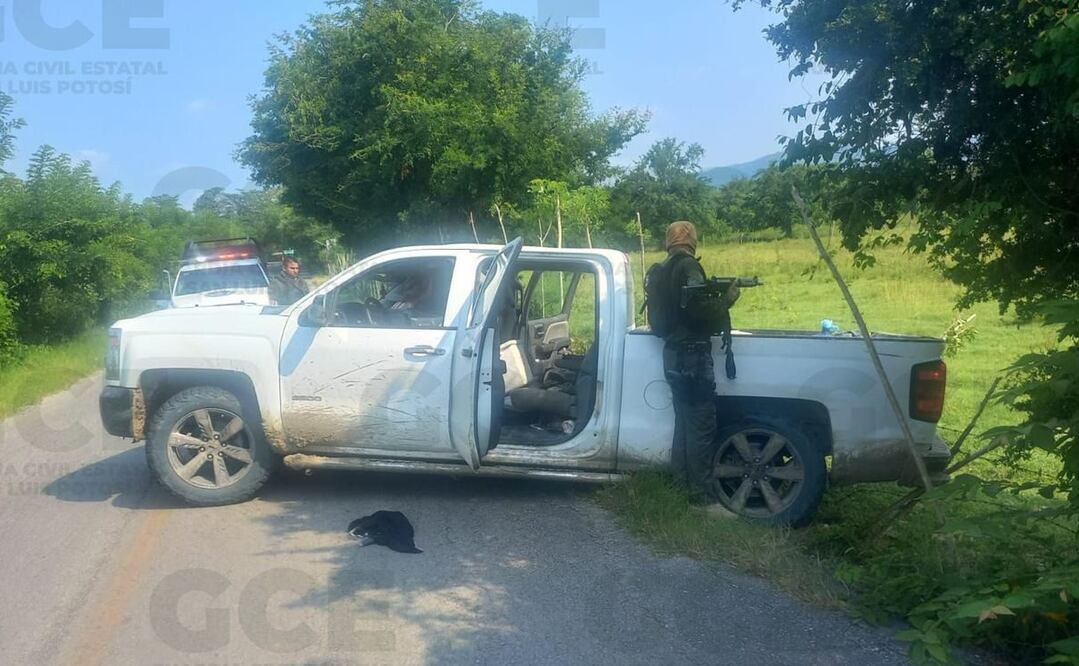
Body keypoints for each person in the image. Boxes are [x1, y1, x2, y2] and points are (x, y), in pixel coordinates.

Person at [658, 221, 738, 495]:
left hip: (672, 354)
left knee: (683, 423)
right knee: (701, 424)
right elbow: (698, 310)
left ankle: (680, 488)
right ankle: (702, 496)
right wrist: (726, 300)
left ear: (669, 241)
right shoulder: (689, 267)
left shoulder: (664, 268)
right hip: (692, 356)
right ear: (693, 240)